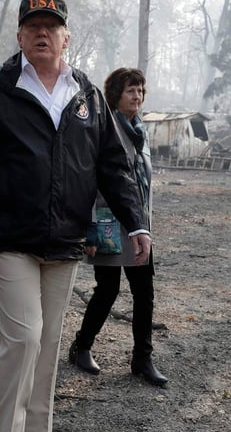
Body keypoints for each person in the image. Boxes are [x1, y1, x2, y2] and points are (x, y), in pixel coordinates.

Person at [0, 0, 151, 432]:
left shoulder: (85, 92)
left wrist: (137, 221)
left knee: (46, 345)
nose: (42, 33)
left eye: (52, 26)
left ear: (66, 36)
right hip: (7, 240)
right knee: (23, 340)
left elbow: (111, 163)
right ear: (19, 36)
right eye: (32, 25)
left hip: (63, 243)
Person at [68, 67, 167, 386]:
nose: (137, 96)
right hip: (108, 222)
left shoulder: (141, 129)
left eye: (140, 90)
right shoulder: (104, 128)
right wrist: (90, 230)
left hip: (138, 225)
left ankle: (142, 359)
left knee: (144, 292)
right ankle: (81, 347)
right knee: (108, 290)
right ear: (115, 96)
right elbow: (91, 181)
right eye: (130, 91)